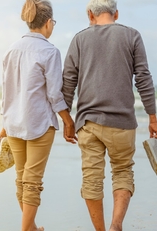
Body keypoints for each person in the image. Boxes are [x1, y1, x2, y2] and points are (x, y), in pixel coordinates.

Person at [62, 0, 157, 230]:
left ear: (90, 14)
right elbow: (143, 79)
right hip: (122, 122)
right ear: (116, 13)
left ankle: (101, 230)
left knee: (92, 178)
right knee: (123, 170)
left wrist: (66, 119)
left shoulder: (79, 39)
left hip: (88, 122)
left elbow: (68, 82)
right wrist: (153, 117)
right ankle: (116, 224)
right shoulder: (132, 36)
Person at [0, 0, 77, 230]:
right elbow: (54, 94)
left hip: (13, 124)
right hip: (39, 124)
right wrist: (68, 120)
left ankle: (31, 228)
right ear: (48, 23)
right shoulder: (50, 51)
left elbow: (6, 93)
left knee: (22, 178)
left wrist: (4, 123)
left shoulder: (10, 50)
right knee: (32, 181)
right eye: (53, 23)